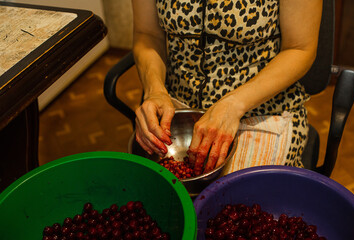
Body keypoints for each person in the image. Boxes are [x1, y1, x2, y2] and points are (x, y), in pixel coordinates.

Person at [131, 0, 322, 174]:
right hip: (179, 107)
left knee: (236, 202)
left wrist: (233, 105)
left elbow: (300, 49)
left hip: (261, 109)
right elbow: (147, 35)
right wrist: (155, 91)